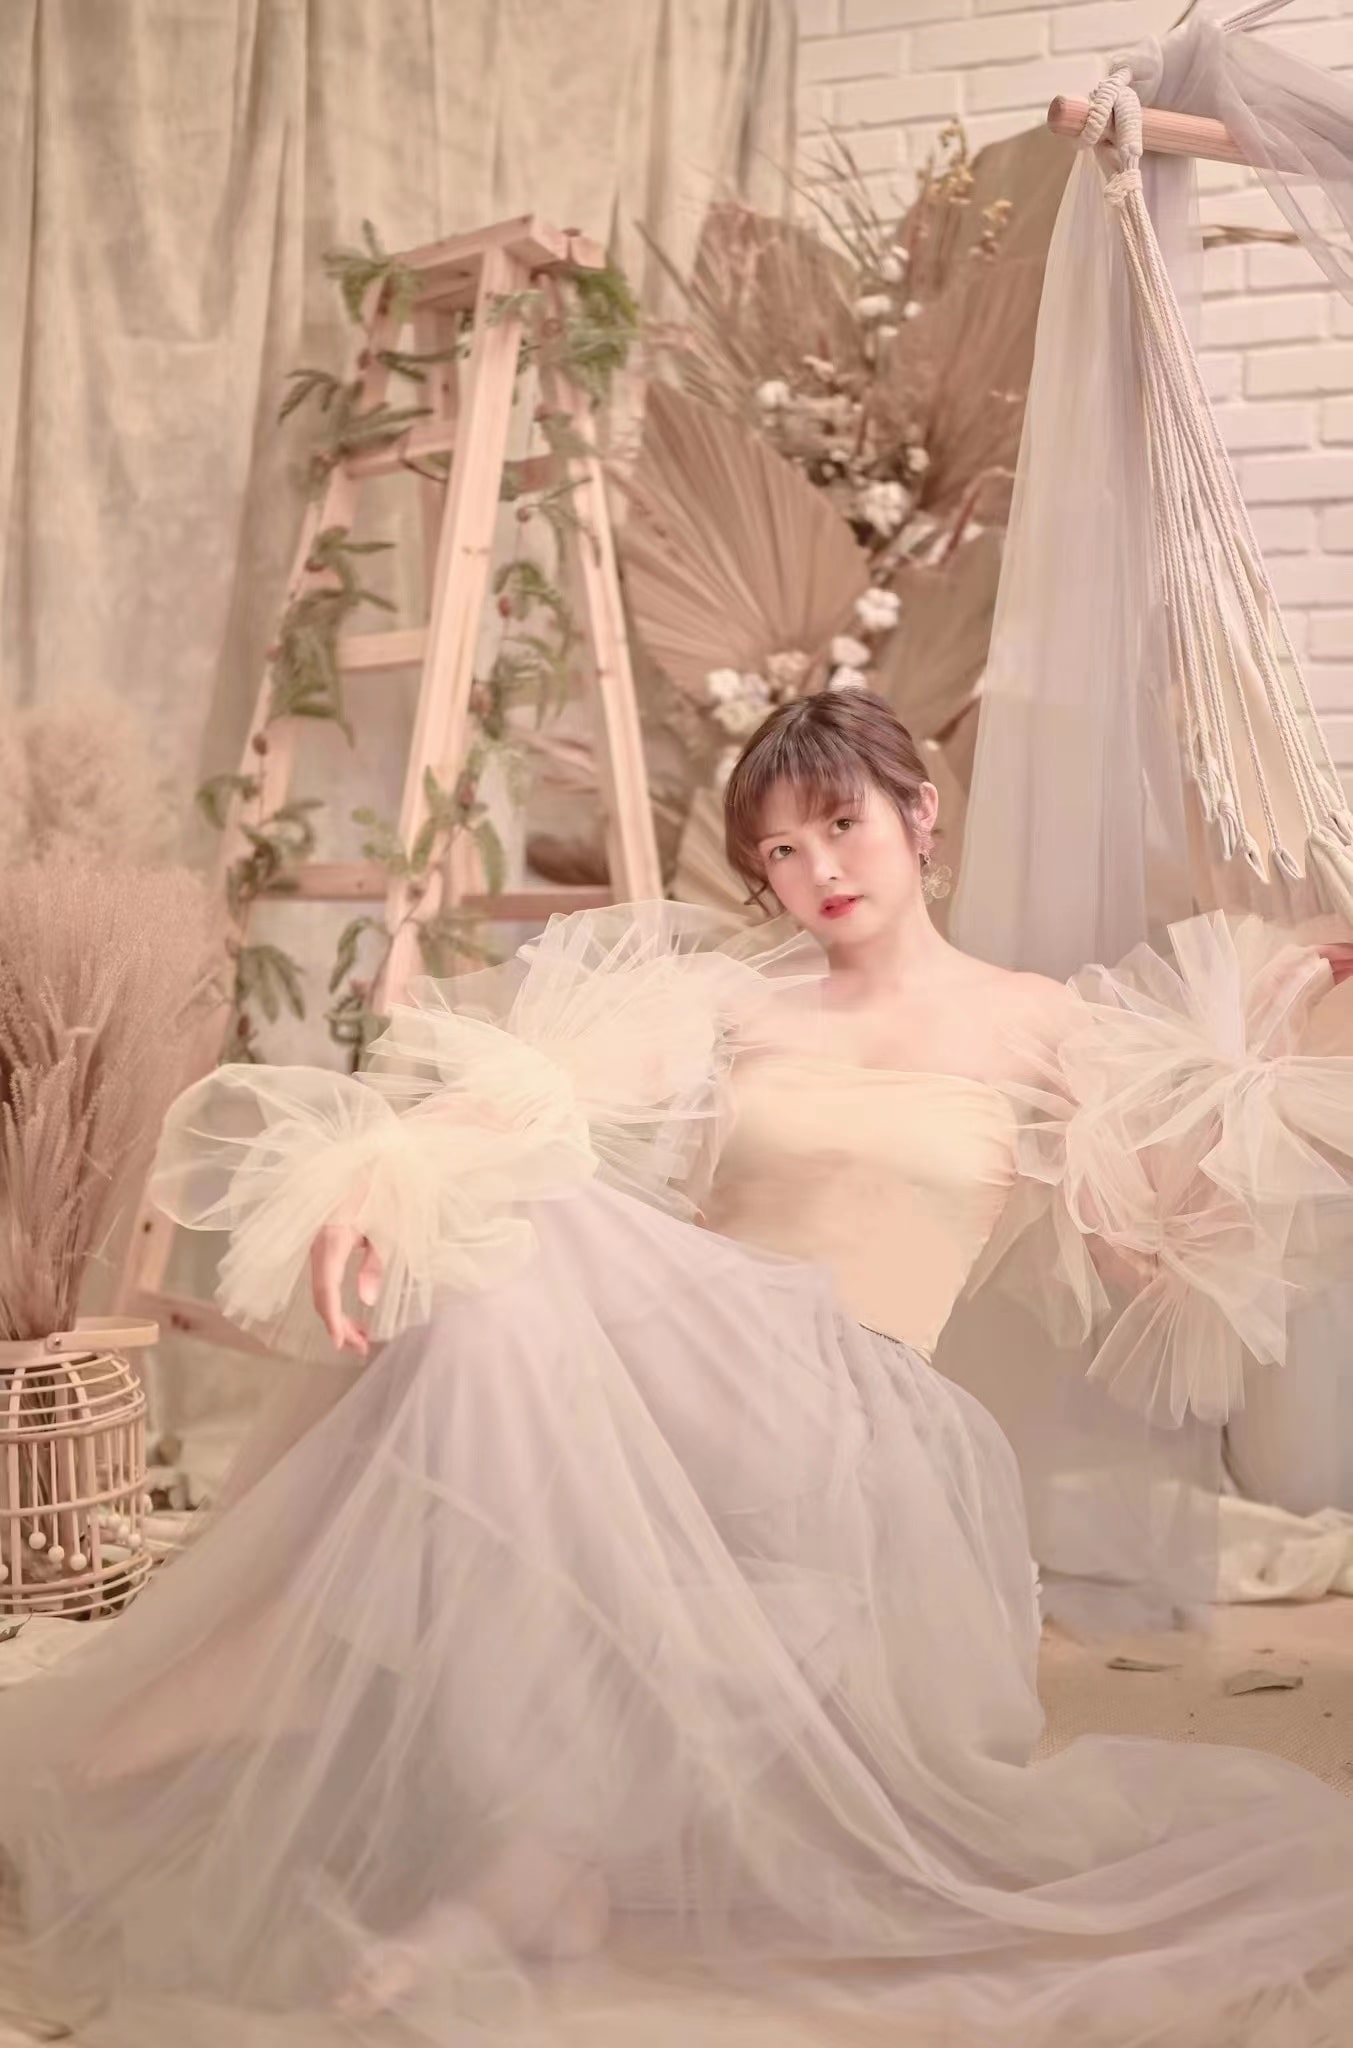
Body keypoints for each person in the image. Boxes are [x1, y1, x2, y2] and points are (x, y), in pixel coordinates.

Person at [2, 688, 1353, 2048]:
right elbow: (534, 1098)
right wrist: (387, 1173)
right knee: (484, 1288)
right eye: (780, 850)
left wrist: (1271, 1034)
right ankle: (510, 1858)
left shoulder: (1036, 1022)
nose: (817, 870)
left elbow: (1152, 1243)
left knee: (514, 1259)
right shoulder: (733, 1003)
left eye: (842, 825)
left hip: (850, 1412)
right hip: (686, 1373)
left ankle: (473, 1851)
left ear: (919, 814)